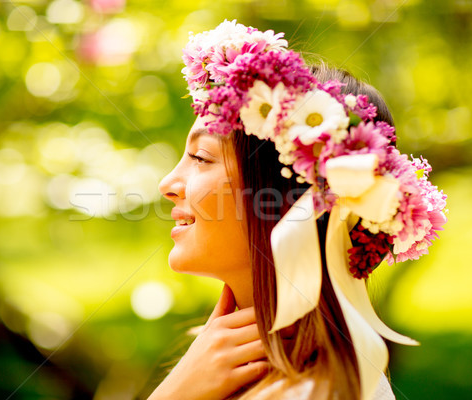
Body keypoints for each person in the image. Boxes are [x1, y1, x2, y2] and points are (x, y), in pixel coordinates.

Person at [150, 20, 447, 400]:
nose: (168, 184)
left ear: (282, 196)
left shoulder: (313, 391)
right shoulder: (219, 364)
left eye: (201, 157)